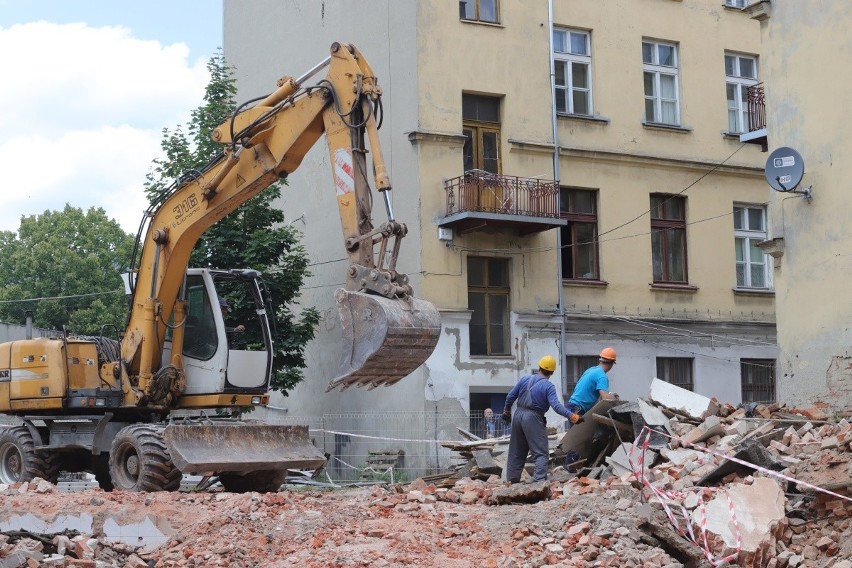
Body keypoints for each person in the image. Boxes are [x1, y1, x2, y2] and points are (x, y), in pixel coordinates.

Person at [501, 355, 579, 483]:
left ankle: (512, 481)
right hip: (533, 417)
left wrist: (506, 411)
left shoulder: (525, 379)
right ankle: (539, 482)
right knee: (540, 452)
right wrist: (572, 416)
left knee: (516, 451)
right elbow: (556, 406)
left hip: (518, 415)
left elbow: (510, 396)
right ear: (552, 372)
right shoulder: (548, 386)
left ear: (539, 368)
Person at [565, 347, 619, 422]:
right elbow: (606, 399)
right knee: (582, 433)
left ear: (601, 360)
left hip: (572, 406)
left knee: (579, 433)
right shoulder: (602, 376)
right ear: (611, 364)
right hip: (578, 409)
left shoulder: (591, 370)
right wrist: (614, 399)